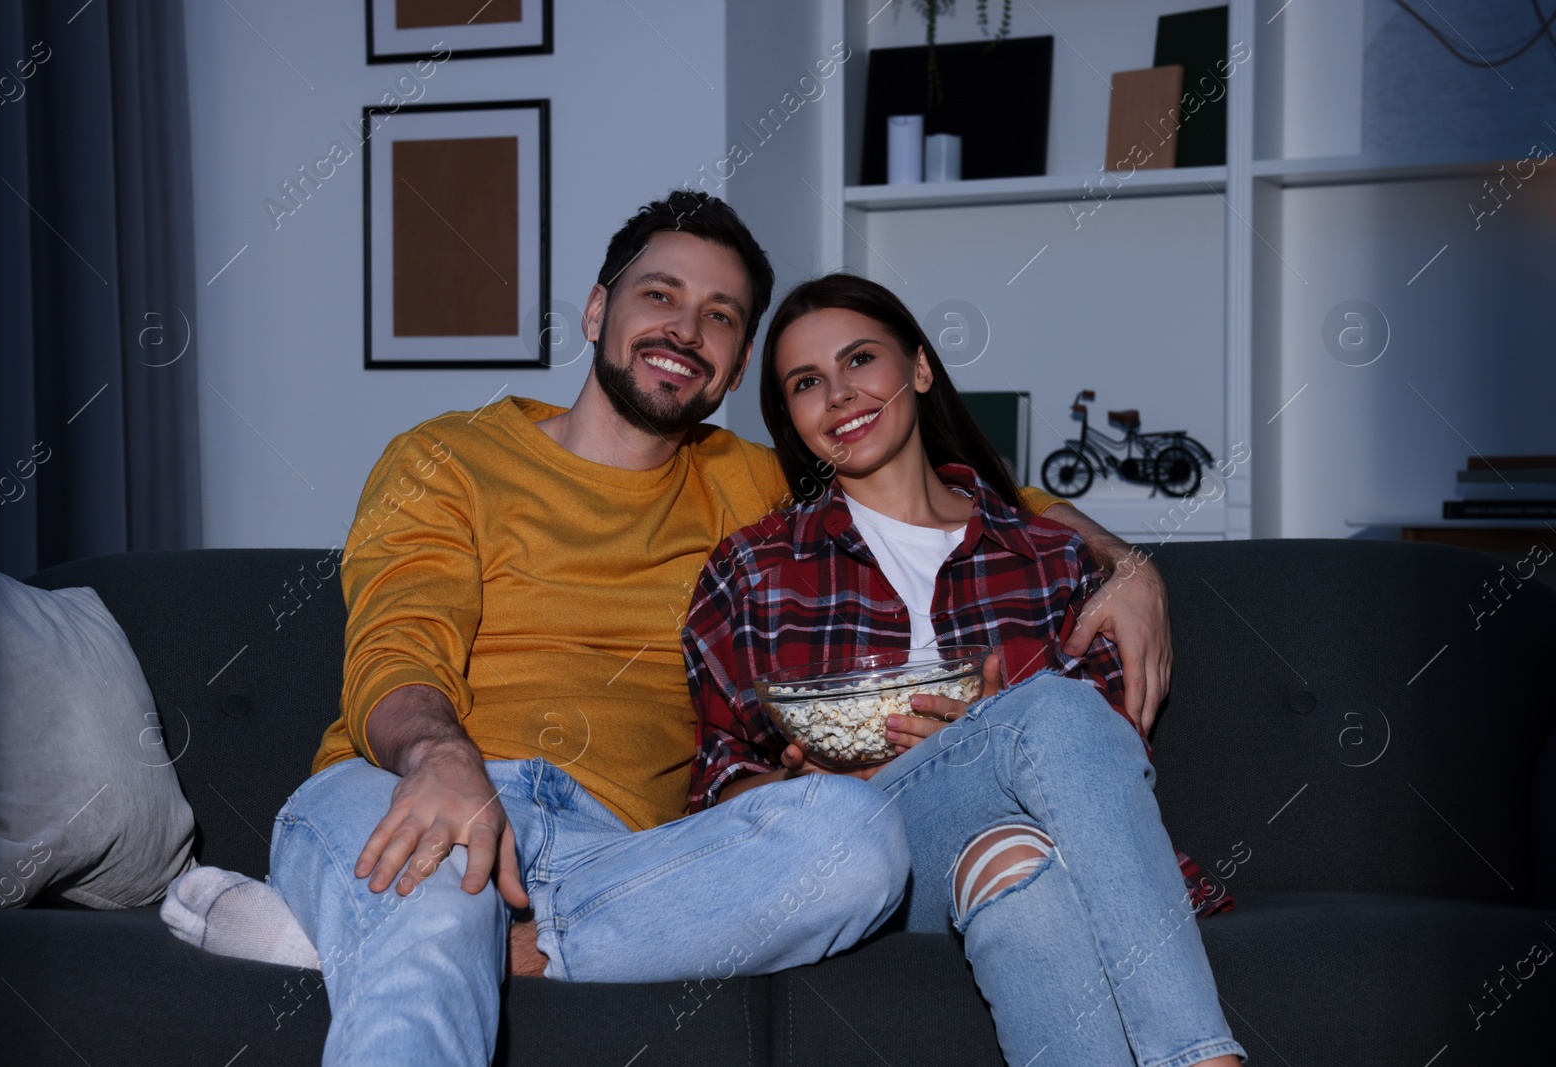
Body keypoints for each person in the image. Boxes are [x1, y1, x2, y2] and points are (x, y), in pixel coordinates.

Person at [242, 192, 1176, 1062]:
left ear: (733, 366)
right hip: (419, 784)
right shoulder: (446, 455)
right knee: (439, 892)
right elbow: (398, 640)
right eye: (661, 295)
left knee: (858, 838)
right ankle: (437, 925)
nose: (686, 330)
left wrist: (1123, 561)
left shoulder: (750, 482)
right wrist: (438, 756)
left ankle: (459, 937)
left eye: (722, 316)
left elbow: (944, 491)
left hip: (636, 856)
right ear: (597, 311)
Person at [683, 273, 1246, 1067]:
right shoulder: (755, 570)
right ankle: (1204, 1060)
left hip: (1010, 836)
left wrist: (980, 735)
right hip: (862, 854)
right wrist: (826, 784)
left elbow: (1104, 764)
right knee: (1049, 714)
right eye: (807, 383)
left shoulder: (1050, 557)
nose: (840, 394)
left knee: (1014, 862)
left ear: (918, 367)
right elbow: (715, 796)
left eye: (860, 360)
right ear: (792, 418)